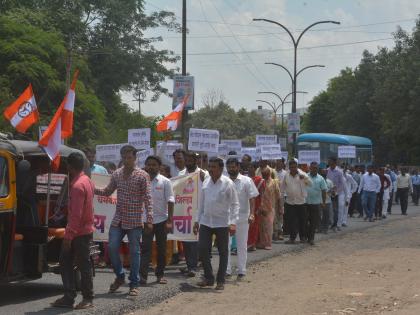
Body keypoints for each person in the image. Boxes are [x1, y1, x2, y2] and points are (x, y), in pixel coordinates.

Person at [95, 145, 153, 296]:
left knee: (135, 252)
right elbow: (107, 192)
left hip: (134, 219)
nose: (127, 160)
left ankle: (134, 283)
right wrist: (92, 188)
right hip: (119, 218)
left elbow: (147, 198)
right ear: (121, 157)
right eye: (124, 157)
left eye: (129, 158)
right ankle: (120, 276)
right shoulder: (117, 174)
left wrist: (150, 219)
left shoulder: (142, 175)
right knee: (112, 247)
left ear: (135, 158)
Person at [51, 152, 95, 309]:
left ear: (69, 167)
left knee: (76, 263)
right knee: (77, 263)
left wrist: (68, 237)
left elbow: (76, 215)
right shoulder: (87, 181)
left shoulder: (77, 186)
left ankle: (85, 298)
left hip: (78, 232)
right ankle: (71, 297)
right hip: (85, 229)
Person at [194, 157, 239, 290]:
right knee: (202, 249)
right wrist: (197, 220)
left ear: (220, 169)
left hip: (222, 223)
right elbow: (201, 204)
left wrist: (233, 222)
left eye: (214, 167)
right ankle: (209, 278)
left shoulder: (228, 183)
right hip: (206, 222)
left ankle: (220, 280)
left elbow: (235, 205)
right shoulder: (206, 182)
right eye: (210, 167)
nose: (211, 169)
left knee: (223, 252)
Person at [140, 156, 175, 285]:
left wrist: (170, 221)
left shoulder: (165, 181)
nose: (151, 167)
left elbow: (170, 200)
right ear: (145, 166)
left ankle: (160, 275)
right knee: (145, 249)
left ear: (159, 166)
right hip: (145, 220)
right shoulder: (141, 180)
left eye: (154, 164)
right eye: (148, 164)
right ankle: (142, 276)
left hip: (161, 220)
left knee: (161, 249)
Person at [226, 158, 258, 280]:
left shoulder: (246, 181)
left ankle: (241, 270)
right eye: (229, 167)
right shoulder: (224, 180)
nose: (231, 169)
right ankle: (227, 270)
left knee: (241, 244)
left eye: (233, 167)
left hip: (243, 217)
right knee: (226, 245)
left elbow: (252, 198)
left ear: (238, 167)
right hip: (227, 218)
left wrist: (252, 214)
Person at [179, 151, 207, 277]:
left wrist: (203, 178)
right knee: (186, 239)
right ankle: (190, 264)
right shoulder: (180, 174)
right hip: (184, 210)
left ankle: (193, 266)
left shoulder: (203, 174)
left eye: (191, 160)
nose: (189, 162)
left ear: (196, 161)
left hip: (198, 210)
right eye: (187, 160)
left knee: (195, 239)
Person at [282, 160, 311, 244]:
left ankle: (303, 237)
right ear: (289, 167)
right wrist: (282, 200)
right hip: (290, 202)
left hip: (301, 201)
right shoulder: (286, 175)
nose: (293, 169)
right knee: (291, 221)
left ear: (297, 166)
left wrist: (305, 179)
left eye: (294, 167)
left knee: (303, 220)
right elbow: (282, 188)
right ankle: (292, 238)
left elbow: (310, 184)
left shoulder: (302, 174)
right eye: (291, 167)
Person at [257, 167, 281, 250]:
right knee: (261, 226)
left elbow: (278, 195)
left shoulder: (274, 182)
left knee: (269, 226)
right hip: (261, 207)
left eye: (266, 174)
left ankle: (268, 243)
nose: (264, 175)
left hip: (270, 207)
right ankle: (262, 243)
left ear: (269, 174)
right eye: (263, 174)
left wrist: (280, 207)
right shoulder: (261, 182)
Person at [305, 162, 327, 245]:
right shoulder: (305, 177)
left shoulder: (321, 178)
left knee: (313, 222)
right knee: (305, 221)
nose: (314, 169)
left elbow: (324, 191)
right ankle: (307, 236)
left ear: (318, 169)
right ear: (310, 168)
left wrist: (324, 202)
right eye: (313, 168)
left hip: (316, 203)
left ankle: (311, 239)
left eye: (316, 168)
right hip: (306, 203)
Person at [247, 162, 265, 251]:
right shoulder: (245, 179)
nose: (249, 169)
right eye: (249, 167)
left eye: (251, 167)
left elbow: (262, 194)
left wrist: (261, 205)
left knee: (254, 225)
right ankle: (247, 243)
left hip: (256, 203)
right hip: (246, 204)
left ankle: (253, 244)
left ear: (255, 169)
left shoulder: (260, 180)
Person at [327, 157, 347, 232]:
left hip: (336, 193)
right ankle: (331, 223)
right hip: (328, 193)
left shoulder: (339, 172)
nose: (330, 164)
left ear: (335, 163)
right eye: (329, 162)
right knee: (329, 210)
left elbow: (342, 184)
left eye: (331, 162)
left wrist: (336, 192)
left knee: (335, 210)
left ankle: (335, 225)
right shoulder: (327, 171)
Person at [320, 169, 334, 234]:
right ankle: (320, 228)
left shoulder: (330, 182)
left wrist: (331, 191)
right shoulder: (319, 181)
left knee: (326, 215)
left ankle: (325, 228)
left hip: (327, 201)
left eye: (325, 172)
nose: (324, 173)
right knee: (319, 215)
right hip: (319, 201)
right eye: (322, 172)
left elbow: (333, 192)